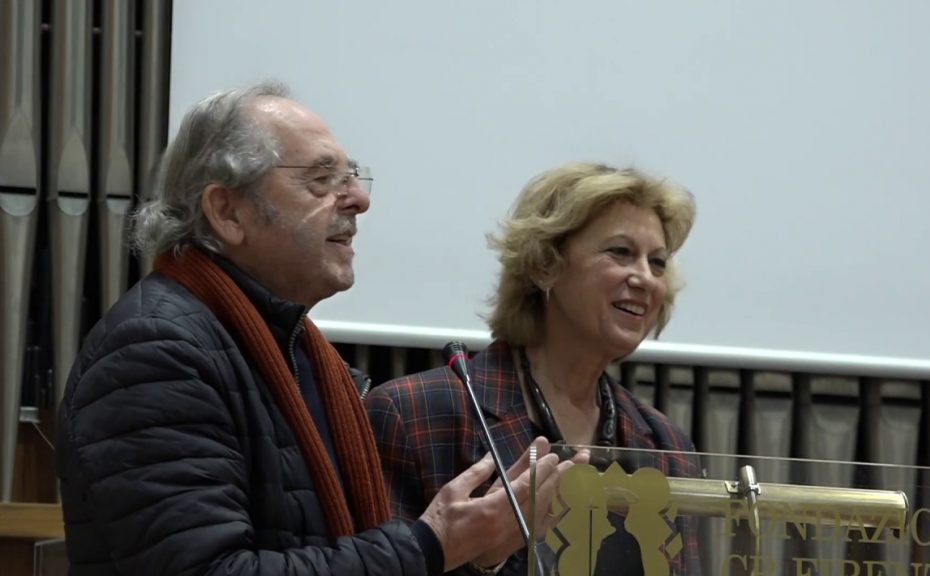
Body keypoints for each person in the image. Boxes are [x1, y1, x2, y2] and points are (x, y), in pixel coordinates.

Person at [55, 82, 572, 576]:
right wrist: (429, 545)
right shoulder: (156, 351)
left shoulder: (298, 352)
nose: (359, 200)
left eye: (352, 177)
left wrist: (474, 551)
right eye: (322, 180)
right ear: (228, 211)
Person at [365, 162, 703, 576]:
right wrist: (484, 561)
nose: (645, 278)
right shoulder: (415, 413)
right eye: (620, 252)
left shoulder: (667, 446)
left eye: (658, 262)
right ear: (546, 265)